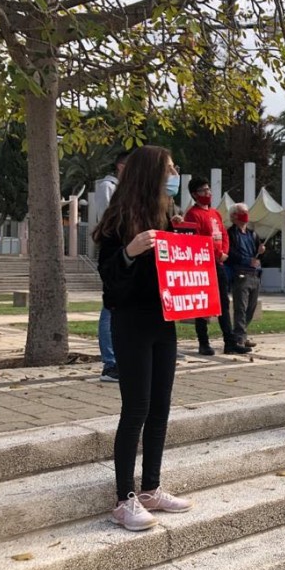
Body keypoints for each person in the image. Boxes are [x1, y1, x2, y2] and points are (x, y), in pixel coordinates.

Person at [93, 145, 193, 531]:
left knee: (160, 408)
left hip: (162, 322)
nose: (175, 173)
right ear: (151, 173)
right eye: (170, 168)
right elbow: (110, 282)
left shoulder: (165, 214)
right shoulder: (118, 218)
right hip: (131, 322)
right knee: (135, 408)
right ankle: (124, 498)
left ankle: (151, 487)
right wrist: (129, 253)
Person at [184, 176, 250, 355]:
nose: (208, 193)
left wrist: (224, 253)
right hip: (203, 265)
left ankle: (229, 342)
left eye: (208, 189)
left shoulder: (215, 213)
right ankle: (203, 342)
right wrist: (217, 253)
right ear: (194, 194)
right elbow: (197, 239)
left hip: (219, 264)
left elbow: (224, 234)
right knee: (203, 305)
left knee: (222, 303)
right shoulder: (192, 214)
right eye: (203, 191)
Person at [94, 150, 129, 383]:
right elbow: (112, 219)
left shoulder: (129, 190)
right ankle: (110, 363)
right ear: (120, 166)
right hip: (116, 250)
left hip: (129, 250)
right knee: (110, 308)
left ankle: (121, 359)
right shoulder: (108, 187)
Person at [226, 203, 265, 350]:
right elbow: (230, 254)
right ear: (234, 216)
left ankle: (240, 335)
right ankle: (239, 338)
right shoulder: (230, 234)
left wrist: (261, 251)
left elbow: (258, 254)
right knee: (240, 308)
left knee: (251, 308)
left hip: (255, 274)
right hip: (240, 274)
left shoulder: (252, 234)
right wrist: (247, 260)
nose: (246, 214)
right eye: (242, 212)